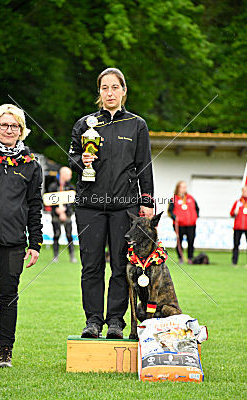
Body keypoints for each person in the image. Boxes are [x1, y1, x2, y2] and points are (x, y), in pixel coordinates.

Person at [68, 67, 154, 339]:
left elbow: (144, 166)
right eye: (105, 88)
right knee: (91, 265)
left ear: (124, 91)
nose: (110, 93)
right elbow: (71, 159)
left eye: (115, 87)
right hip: (89, 206)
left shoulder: (137, 125)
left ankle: (116, 321)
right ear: (99, 92)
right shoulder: (85, 124)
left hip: (124, 208)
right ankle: (93, 321)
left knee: (120, 265)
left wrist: (147, 201)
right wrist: (81, 162)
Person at [0, 104, 43, 368]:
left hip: (13, 242)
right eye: (4, 125)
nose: (8, 129)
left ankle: (5, 351)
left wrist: (35, 243)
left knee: (8, 297)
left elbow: (35, 206)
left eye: (14, 125)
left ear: (21, 130)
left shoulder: (31, 165)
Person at [48, 166, 77, 263]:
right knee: (56, 234)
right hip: (55, 215)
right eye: (69, 174)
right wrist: (56, 210)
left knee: (69, 235)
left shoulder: (71, 188)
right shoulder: (52, 187)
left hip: (67, 215)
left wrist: (65, 211)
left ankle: (72, 256)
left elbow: (72, 202)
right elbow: (49, 200)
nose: (70, 176)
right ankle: (55, 256)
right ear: (63, 175)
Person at [168, 181, 199, 264]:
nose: (184, 189)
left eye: (185, 187)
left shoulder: (191, 198)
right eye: (182, 187)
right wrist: (175, 218)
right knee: (179, 241)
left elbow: (197, 208)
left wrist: (195, 217)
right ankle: (180, 257)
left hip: (191, 224)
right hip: (179, 225)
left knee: (191, 241)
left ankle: (190, 258)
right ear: (178, 188)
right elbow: (170, 211)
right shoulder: (173, 199)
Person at [230, 185, 247, 265]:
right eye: (244, 191)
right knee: (236, 244)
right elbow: (231, 213)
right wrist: (234, 213)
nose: (245, 193)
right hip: (238, 227)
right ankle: (234, 261)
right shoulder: (238, 202)